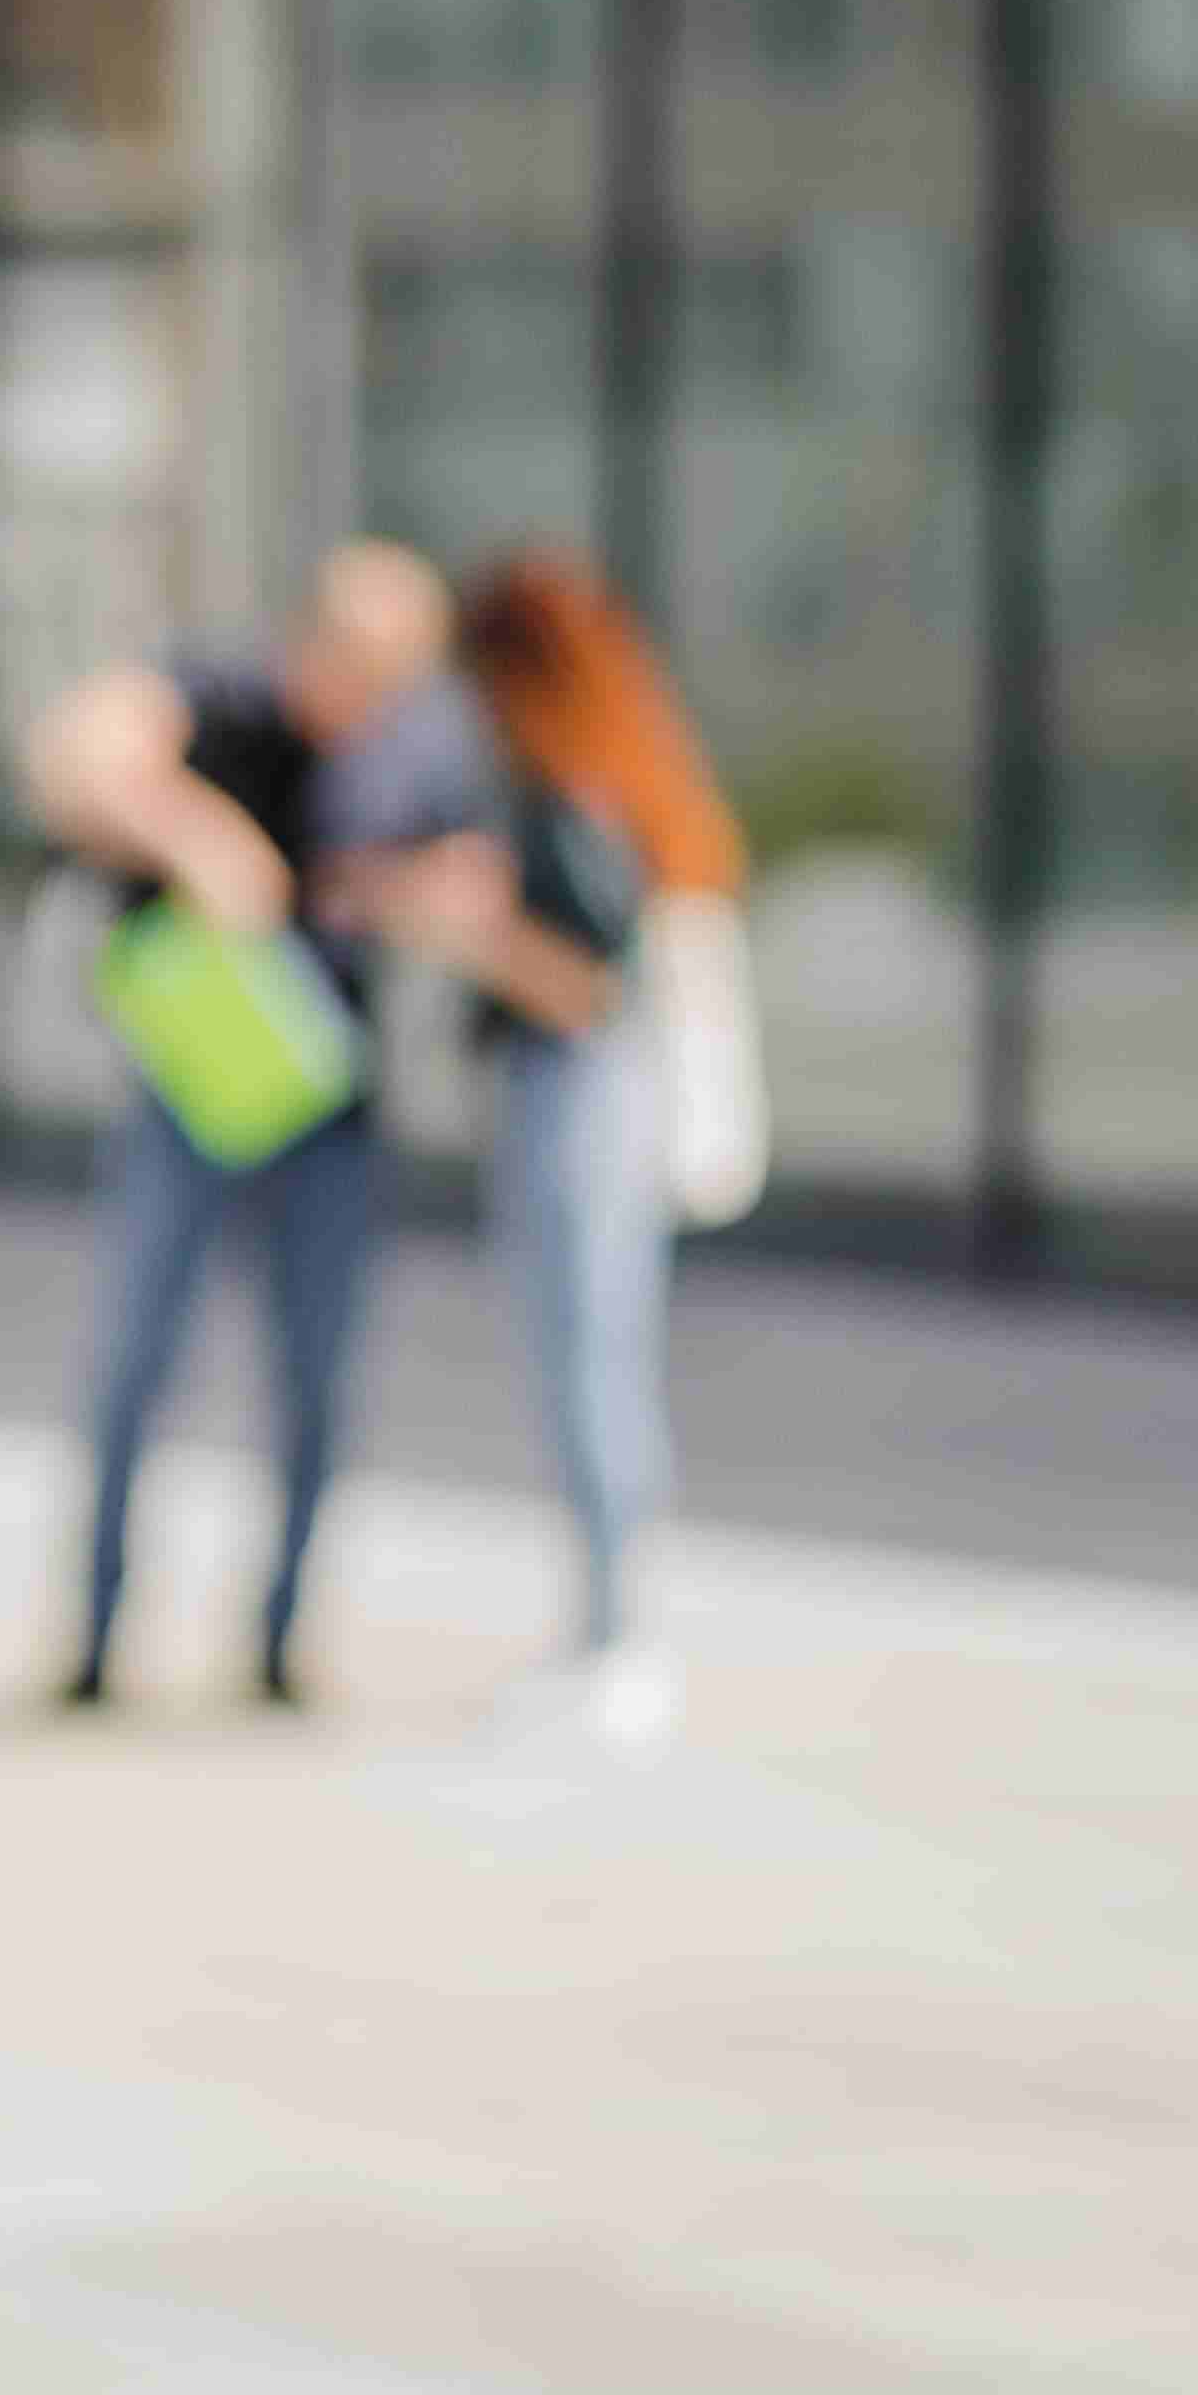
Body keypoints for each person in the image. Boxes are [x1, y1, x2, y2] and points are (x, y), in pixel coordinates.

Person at [20, 540, 507, 1707]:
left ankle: (283, 1638)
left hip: (327, 1109)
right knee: (138, 1367)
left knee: (317, 1383)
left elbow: (475, 882)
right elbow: (72, 756)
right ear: (316, 638)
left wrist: (393, 895)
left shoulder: (418, 749)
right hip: (189, 1092)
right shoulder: (215, 695)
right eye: (361, 664)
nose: (374, 695)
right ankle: (96, 1632)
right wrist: (200, 839)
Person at [452, 543, 758, 1746]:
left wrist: (468, 924)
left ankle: (621, 1636)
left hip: (579, 1095)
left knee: (590, 1359)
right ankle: (609, 1629)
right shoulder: (628, 767)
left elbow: (591, 987)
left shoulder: (568, 792)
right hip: (597, 1095)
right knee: (596, 1357)